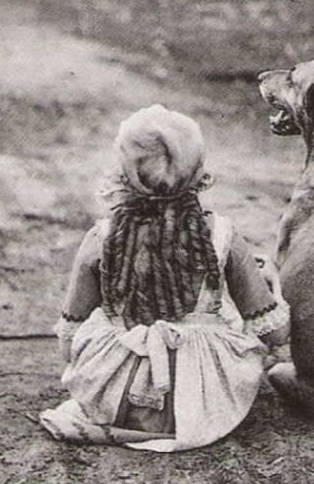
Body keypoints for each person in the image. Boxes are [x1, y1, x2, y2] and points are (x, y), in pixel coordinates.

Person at [40, 105, 290, 451]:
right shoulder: (221, 235)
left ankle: (121, 419)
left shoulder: (101, 238)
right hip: (202, 404)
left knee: (100, 327)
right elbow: (275, 332)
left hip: (114, 398)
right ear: (197, 170)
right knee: (231, 322)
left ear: (124, 173)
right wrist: (272, 282)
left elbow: (68, 341)